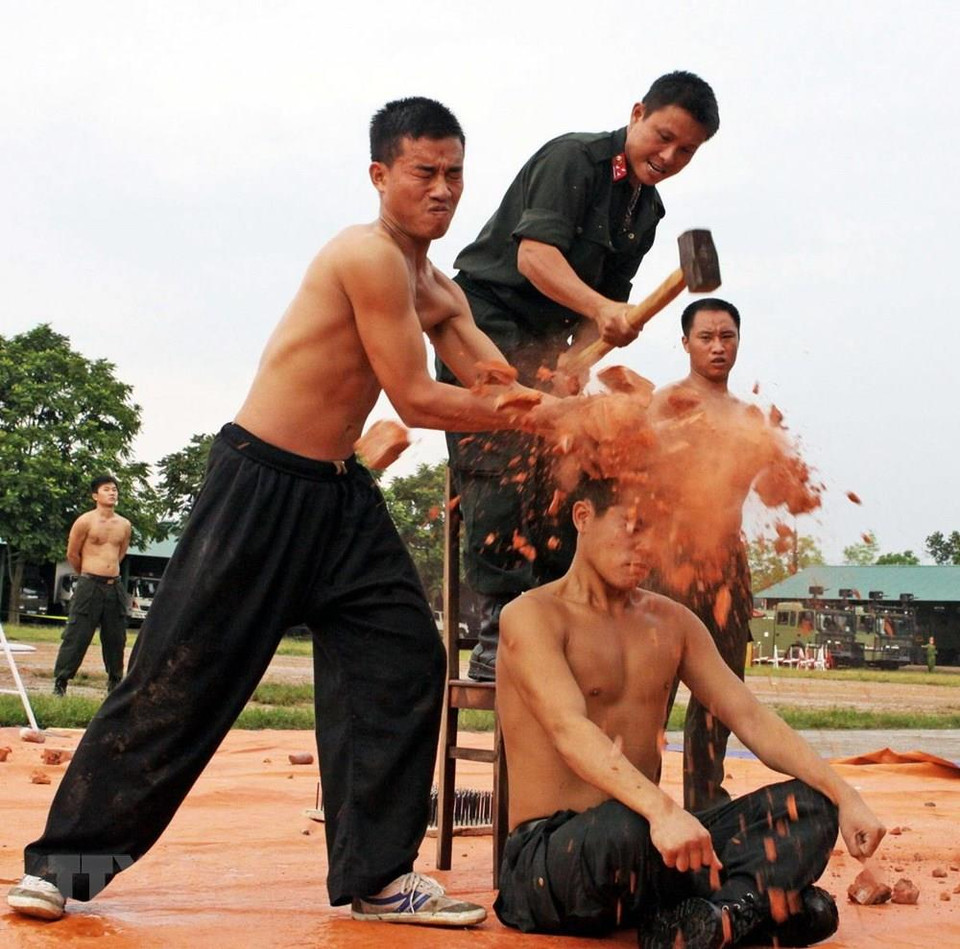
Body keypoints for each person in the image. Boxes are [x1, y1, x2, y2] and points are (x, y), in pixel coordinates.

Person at [8, 97, 554, 928]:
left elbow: (490, 377)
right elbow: (414, 394)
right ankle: (64, 866)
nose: (443, 189)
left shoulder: (434, 284)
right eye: (424, 172)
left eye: (454, 172)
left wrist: (566, 404)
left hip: (339, 499)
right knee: (176, 682)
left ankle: (377, 878)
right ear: (381, 175)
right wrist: (532, 413)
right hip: (260, 487)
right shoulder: (367, 258)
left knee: (405, 660)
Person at [494, 477, 886, 947]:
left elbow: (750, 717)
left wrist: (846, 796)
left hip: (653, 852)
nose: (646, 548)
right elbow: (568, 728)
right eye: (632, 527)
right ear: (583, 517)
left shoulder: (673, 622)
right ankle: (753, 905)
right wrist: (662, 811)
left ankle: (715, 919)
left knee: (809, 807)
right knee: (626, 826)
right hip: (557, 859)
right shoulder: (531, 615)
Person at [437, 70, 720, 681]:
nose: (669, 158)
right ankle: (500, 630)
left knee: (573, 462)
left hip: (548, 346)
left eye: (687, 152)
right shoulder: (575, 159)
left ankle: (554, 614)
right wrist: (598, 311)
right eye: (663, 137)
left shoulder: (647, 208)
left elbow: (607, 306)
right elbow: (534, 255)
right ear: (638, 112)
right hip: (484, 325)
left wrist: (580, 358)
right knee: (503, 454)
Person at [642, 298, 758, 811]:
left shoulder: (748, 416)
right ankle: (637, 803)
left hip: (728, 563)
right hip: (670, 559)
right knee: (652, 687)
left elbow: (763, 483)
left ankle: (705, 803)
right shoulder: (665, 405)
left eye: (727, 336)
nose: (717, 346)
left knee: (721, 691)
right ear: (685, 343)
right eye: (706, 337)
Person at [51, 475, 131, 697]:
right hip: (89, 583)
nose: (112, 493)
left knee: (116, 638)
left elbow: (121, 552)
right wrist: (87, 573)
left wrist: (108, 572)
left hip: (114, 585)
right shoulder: (85, 521)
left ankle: (115, 683)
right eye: (107, 489)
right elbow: (72, 553)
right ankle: (61, 682)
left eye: (114, 489)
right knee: (77, 635)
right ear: (95, 495)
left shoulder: (124, 525)